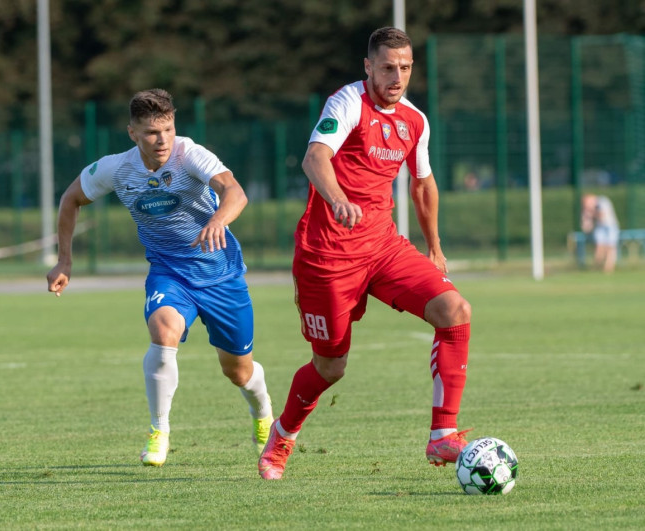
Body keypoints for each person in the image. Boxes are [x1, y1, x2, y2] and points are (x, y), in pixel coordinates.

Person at [258, 27, 473, 480]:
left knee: (454, 310)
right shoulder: (347, 103)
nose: (397, 77)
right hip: (327, 256)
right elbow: (315, 158)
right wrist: (337, 199)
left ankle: (443, 434)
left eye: (406, 68)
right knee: (330, 366)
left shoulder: (415, 120)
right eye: (388, 67)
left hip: (383, 247)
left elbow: (422, 184)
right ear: (368, 66)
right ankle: (282, 434)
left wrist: (434, 248)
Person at [47, 88, 274, 466]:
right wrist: (64, 261)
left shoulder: (191, 154)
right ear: (132, 133)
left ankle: (263, 413)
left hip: (220, 276)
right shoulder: (116, 168)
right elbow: (71, 198)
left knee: (238, 371)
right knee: (163, 332)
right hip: (169, 273)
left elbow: (234, 192)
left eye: (168, 129)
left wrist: (218, 219)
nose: (162, 139)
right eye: (152, 132)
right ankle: (159, 431)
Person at [581, 193, 620, 273]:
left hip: (610, 226)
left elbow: (602, 215)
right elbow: (586, 225)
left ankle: (608, 268)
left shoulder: (603, 201)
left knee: (610, 247)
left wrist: (591, 211)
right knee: (599, 247)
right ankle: (597, 267)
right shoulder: (589, 208)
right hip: (600, 227)